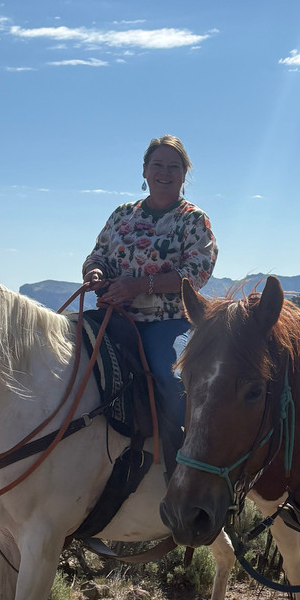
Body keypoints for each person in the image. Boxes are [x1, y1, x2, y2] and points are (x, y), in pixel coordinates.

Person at [82, 134, 217, 474]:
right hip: (115, 315)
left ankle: (186, 462)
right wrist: (96, 272)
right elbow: (98, 255)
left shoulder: (193, 220)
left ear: (185, 175)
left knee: (168, 376)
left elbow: (195, 273)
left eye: (174, 166)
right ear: (144, 171)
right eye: (157, 165)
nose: (165, 172)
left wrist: (137, 286)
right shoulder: (122, 215)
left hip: (168, 321)